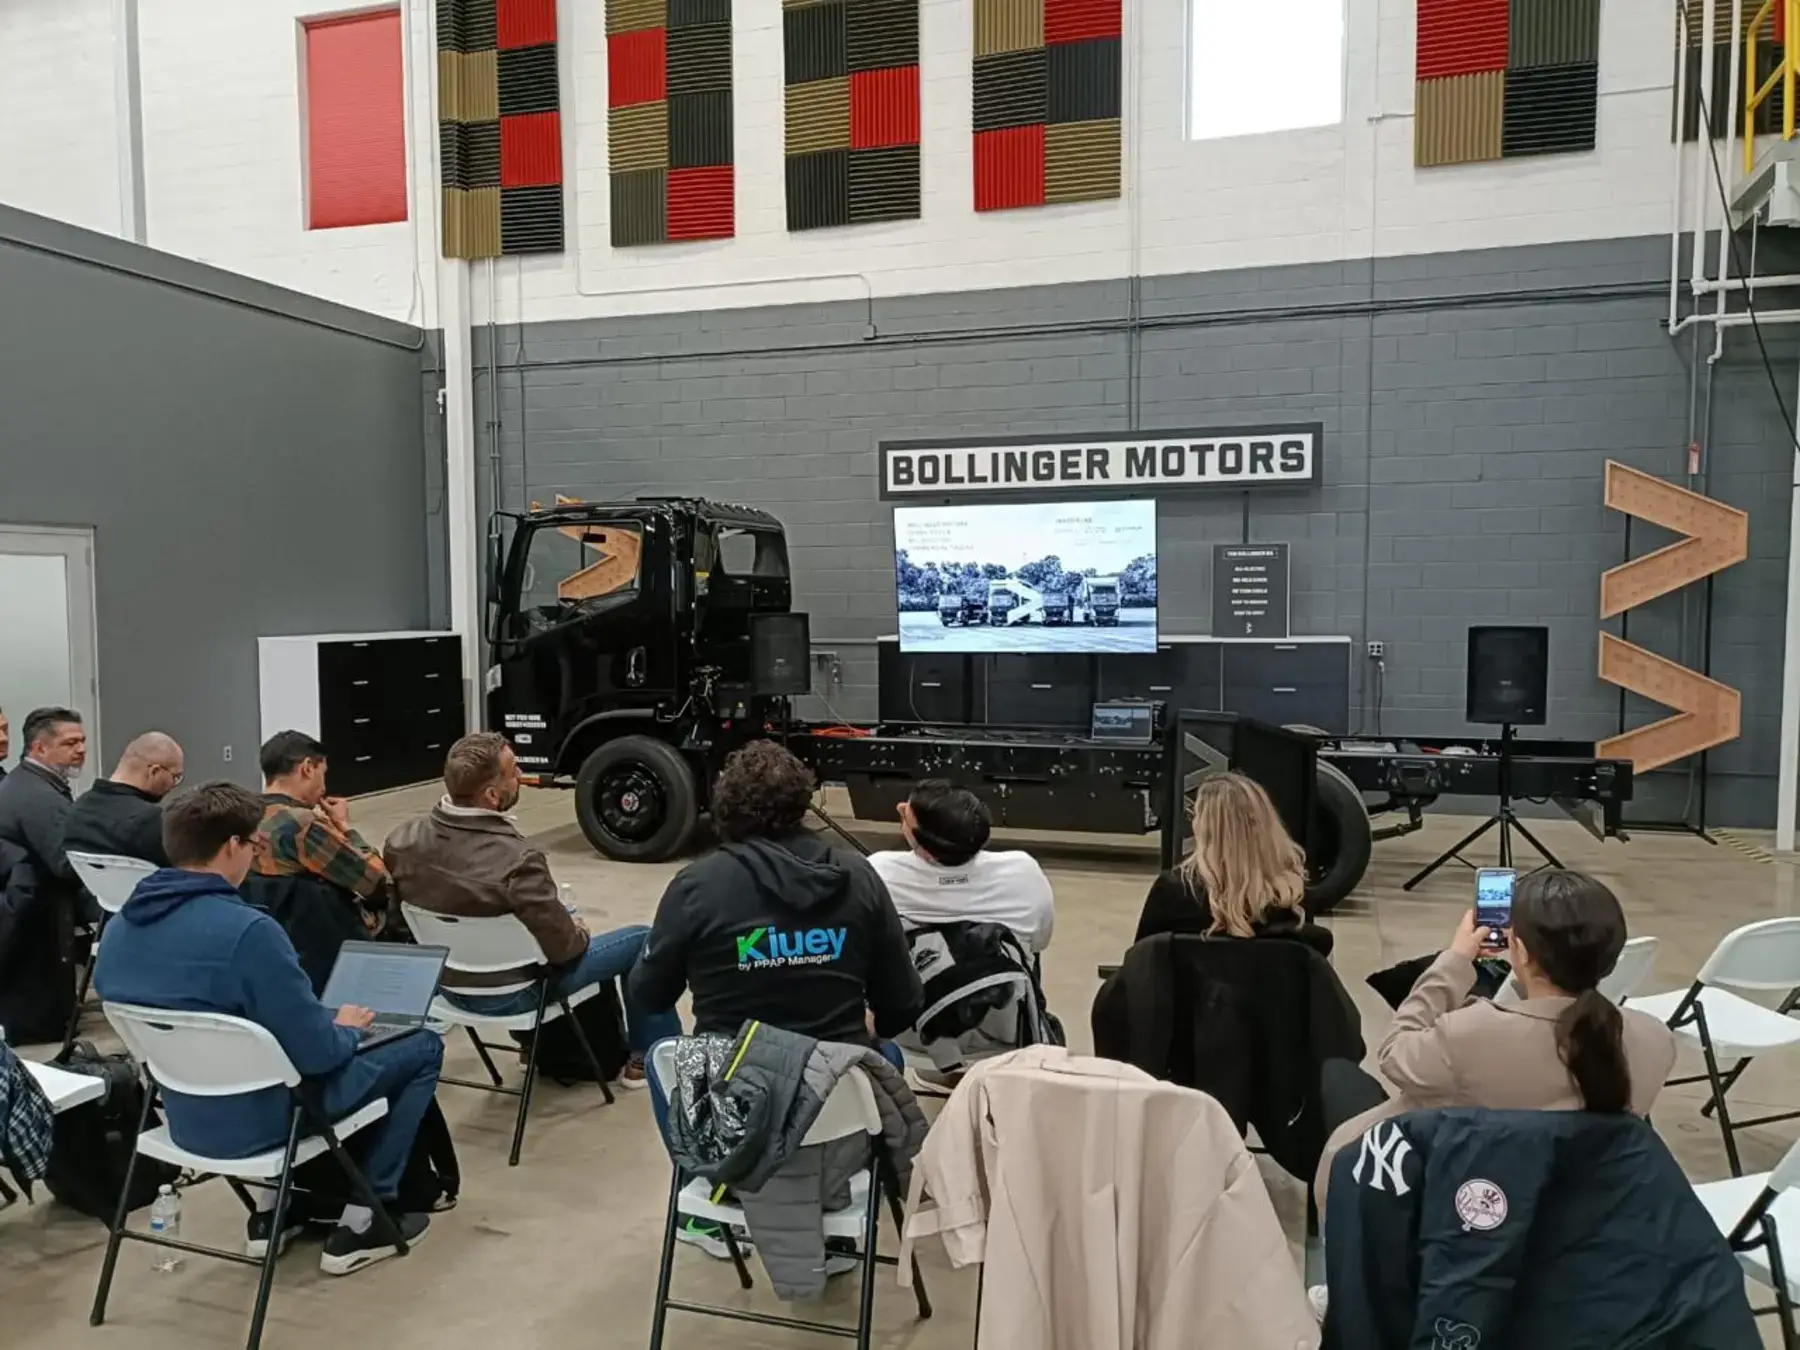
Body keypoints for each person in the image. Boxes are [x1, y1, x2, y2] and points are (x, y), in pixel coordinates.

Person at [93, 781, 442, 1274]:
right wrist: (346, 1028)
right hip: (269, 1121)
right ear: (231, 846)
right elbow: (319, 1055)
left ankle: (273, 1209)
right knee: (422, 1046)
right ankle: (367, 1218)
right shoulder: (250, 933)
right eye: (253, 842)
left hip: (184, 1118)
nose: (257, 852)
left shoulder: (118, 930)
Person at [630, 739, 922, 1257]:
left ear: (724, 807)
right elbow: (903, 1002)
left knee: (665, 1060)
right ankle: (838, 1214)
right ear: (802, 804)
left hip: (732, 1124)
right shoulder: (859, 876)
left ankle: (708, 1203)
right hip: (835, 1114)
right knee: (886, 1059)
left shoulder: (695, 886)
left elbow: (648, 994)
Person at [1314, 868, 1678, 1209]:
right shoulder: (1654, 1040)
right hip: (1576, 1208)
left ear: (1520, 950)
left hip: (1462, 1203)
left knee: (1341, 1078)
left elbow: (1396, 1053)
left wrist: (1455, 961)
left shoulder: (1468, 1036)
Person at [384, 732, 680, 1087]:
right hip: (518, 996)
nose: (520, 774)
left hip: (449, 988)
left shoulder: (401, 842)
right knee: (640, 939)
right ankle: (651, 1056)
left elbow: (401, 923)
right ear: (491, 795)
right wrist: (578, 930)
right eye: (512, 771)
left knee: (512, 946)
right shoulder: (518, 861)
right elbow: (565, 950)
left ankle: (530, 1048)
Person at [1132, 771, 1332, 958]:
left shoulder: (1173, 891)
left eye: (1195, 814)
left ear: (1204, 829)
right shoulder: (1293, 897)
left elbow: (1141, 966)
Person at [867, 781, 1054, 955]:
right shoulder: (1023, 871)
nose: (899, 808)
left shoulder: (878, 872)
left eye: (905, 817)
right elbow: (1038, 943)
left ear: (926, 847)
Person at [0, 707, 89, 1042]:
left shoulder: (27, 782)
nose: (81, 749)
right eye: (70, 743)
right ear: (40, 747)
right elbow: (65, 863)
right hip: (36, 919)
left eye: (82, 741)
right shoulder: (36, 795)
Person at [250, 730, 391, 940]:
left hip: (271, 932)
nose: (324, 787)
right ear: (307, 768)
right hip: (318, 936)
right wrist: (344, 827)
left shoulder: (244, 814)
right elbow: (374, 880)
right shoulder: (303, 824)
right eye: (323, 773)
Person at [62, 732, 185, 867]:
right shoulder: (149, 819)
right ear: (154, 771)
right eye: (175, 777)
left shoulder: (79, 807)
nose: (174, 785)